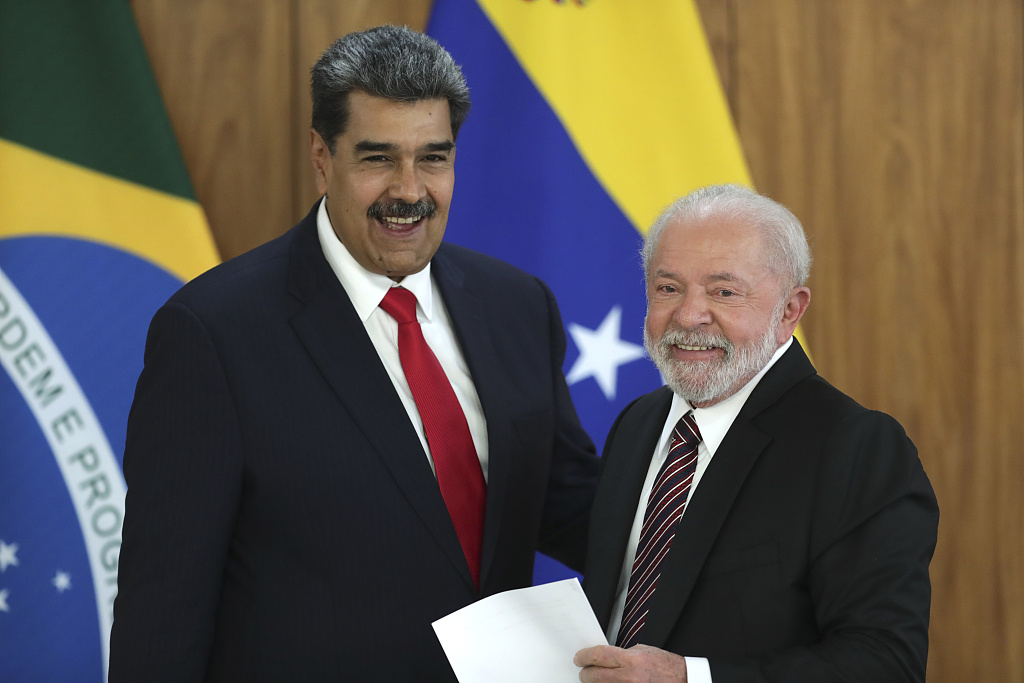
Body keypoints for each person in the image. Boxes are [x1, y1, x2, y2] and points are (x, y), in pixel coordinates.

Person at [109, 25, 599, 682]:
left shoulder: (518, 306)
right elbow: (162, 610)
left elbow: (571, 508)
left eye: (433, 158)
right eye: (377, 159)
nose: (409, 190)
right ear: (322, 156)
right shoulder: (213, 333)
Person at [575, 184, 938, 682]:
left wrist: (690, 678)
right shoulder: (638, 423)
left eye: (724, 292)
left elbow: (886, 664)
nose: (689, 315)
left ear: (790, 311)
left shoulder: (855, 446)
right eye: (668, 288)